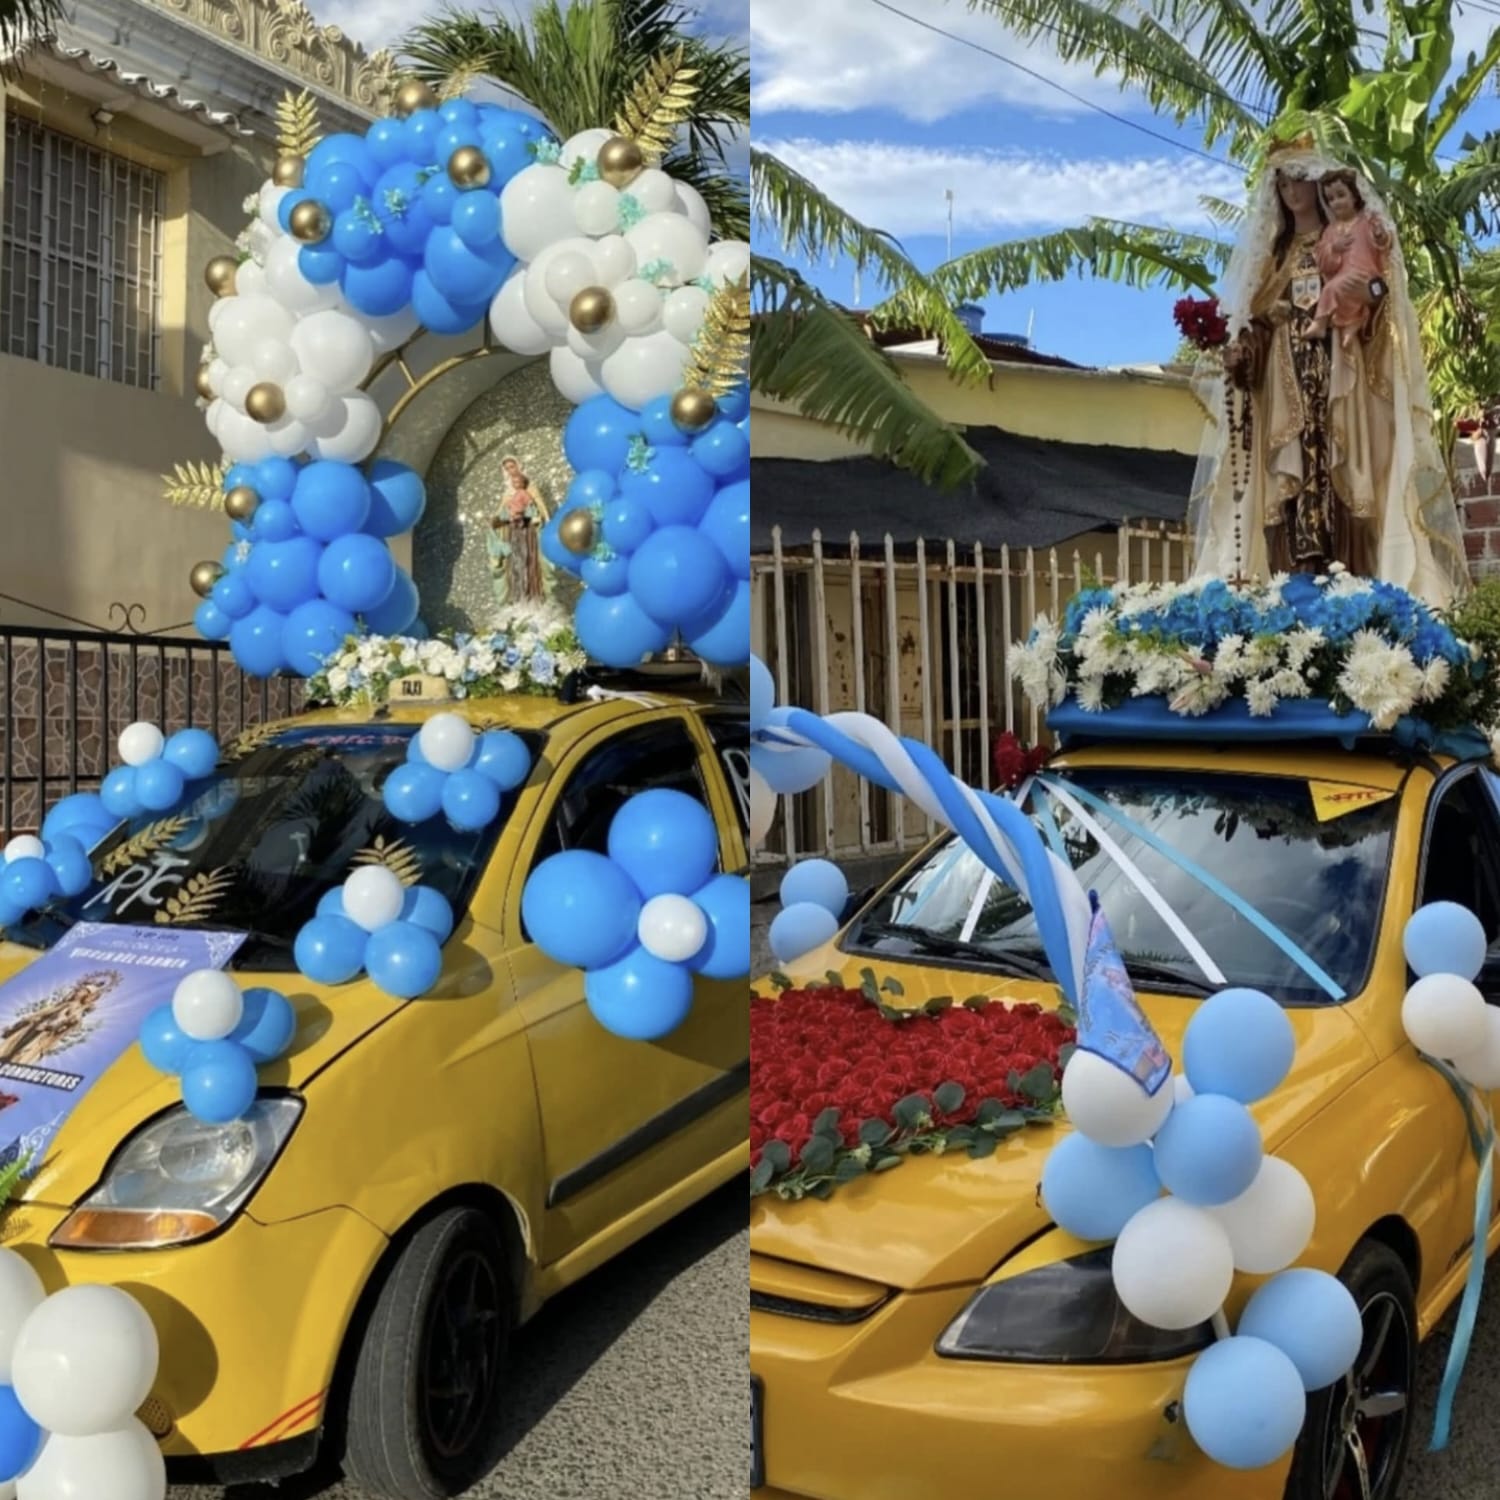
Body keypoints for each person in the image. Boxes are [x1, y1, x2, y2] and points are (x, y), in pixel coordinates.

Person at [1187, 143, 1468, 605]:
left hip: (1341, 377)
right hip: (1284, 381)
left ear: (1319, 184)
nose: (1289, 189)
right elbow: (1254, 327)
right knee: (1288, 480)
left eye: (1297, 178)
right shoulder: (1273, 257)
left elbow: (1379, 307)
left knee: (1343, 469)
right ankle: (1289, 590)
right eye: (1280, 181)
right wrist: (1243, 350)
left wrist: (1369, 294)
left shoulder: (1347, 237)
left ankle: (1350, 594)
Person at [1304, 169, 1391, 349]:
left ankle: (1320, 323)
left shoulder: (1366, 222)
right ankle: (1354, 322)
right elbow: (1323, 262)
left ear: (1355, 196)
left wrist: (1380, 235)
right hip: (1345, 278)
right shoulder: (1330, 231)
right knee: (1340, 289)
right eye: (1331, 199)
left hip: (1366, 276)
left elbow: (1382, 243)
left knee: (1332, 288)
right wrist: (1334, 249)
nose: (1336, 202)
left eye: (1341, 195)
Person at [485, 456, 545, 608]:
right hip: (513, 532)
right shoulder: (508, 492)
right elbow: (501, 512)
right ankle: (518, 598)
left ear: (519, 467)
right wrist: (494, 521)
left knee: (529, 563)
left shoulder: (529, 488)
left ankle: (533, 597)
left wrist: (542, 518)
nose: (510, 471)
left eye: (512, 467)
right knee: (515, 565)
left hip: (527, 532)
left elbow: (539, 507)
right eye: (507, 468)